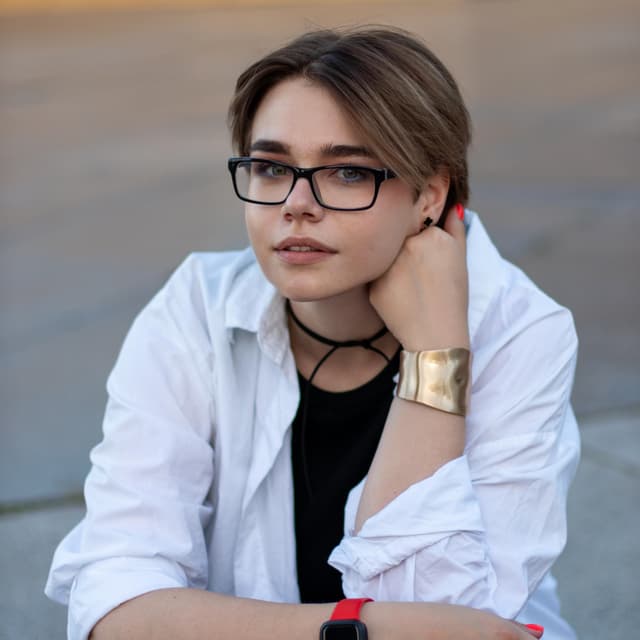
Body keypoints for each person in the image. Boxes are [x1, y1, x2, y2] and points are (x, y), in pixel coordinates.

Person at [45, 26, 580, 640]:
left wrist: (436, 355)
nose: (296, 203)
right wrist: (346, 628)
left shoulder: (521, 331)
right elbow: (113, 602)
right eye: (272, 167)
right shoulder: (196, 309)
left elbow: (451, 618)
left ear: (429, 196)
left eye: (347, 172)